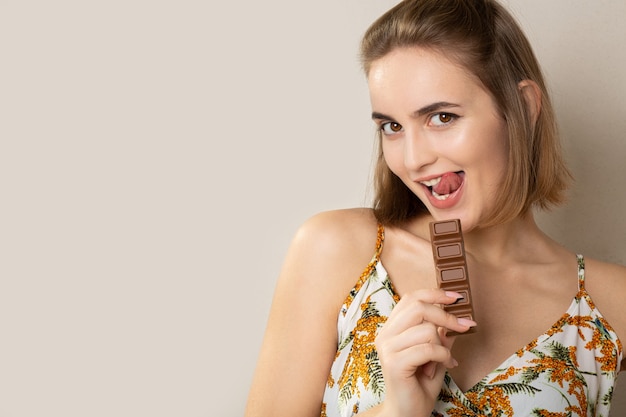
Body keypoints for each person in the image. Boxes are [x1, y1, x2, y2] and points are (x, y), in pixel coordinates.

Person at [244, 0, 626, 416]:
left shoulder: (610, 302)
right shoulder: (336, 249)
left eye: (442, 117)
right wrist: (397, 409)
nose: (412, 159)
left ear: (524, 108)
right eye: (392, 126)